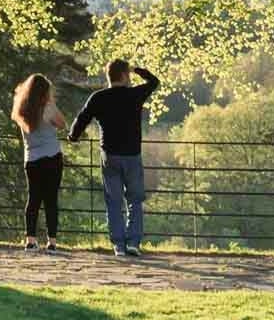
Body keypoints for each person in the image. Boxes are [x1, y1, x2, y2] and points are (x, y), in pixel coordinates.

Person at [65, 58, 161, 256]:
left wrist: (73, 136)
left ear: (109, 76)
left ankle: (118, 245)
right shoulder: (135, 94)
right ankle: (133, 242)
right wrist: (138, 70)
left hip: (110, 155)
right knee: (134, 199)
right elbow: (154, 82)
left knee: (113, 201)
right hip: (132, 155)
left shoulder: (98, 97)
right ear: (125, 76)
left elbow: (82, 117)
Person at [10, 73, 65, 248]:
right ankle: (52, 241)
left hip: (32, 159)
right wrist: (53, 104)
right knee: (50, 200)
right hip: (51, 158)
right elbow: (62, 124)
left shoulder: (22, 110)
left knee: (33, 200)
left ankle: (31, 240)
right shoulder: (48, 108)